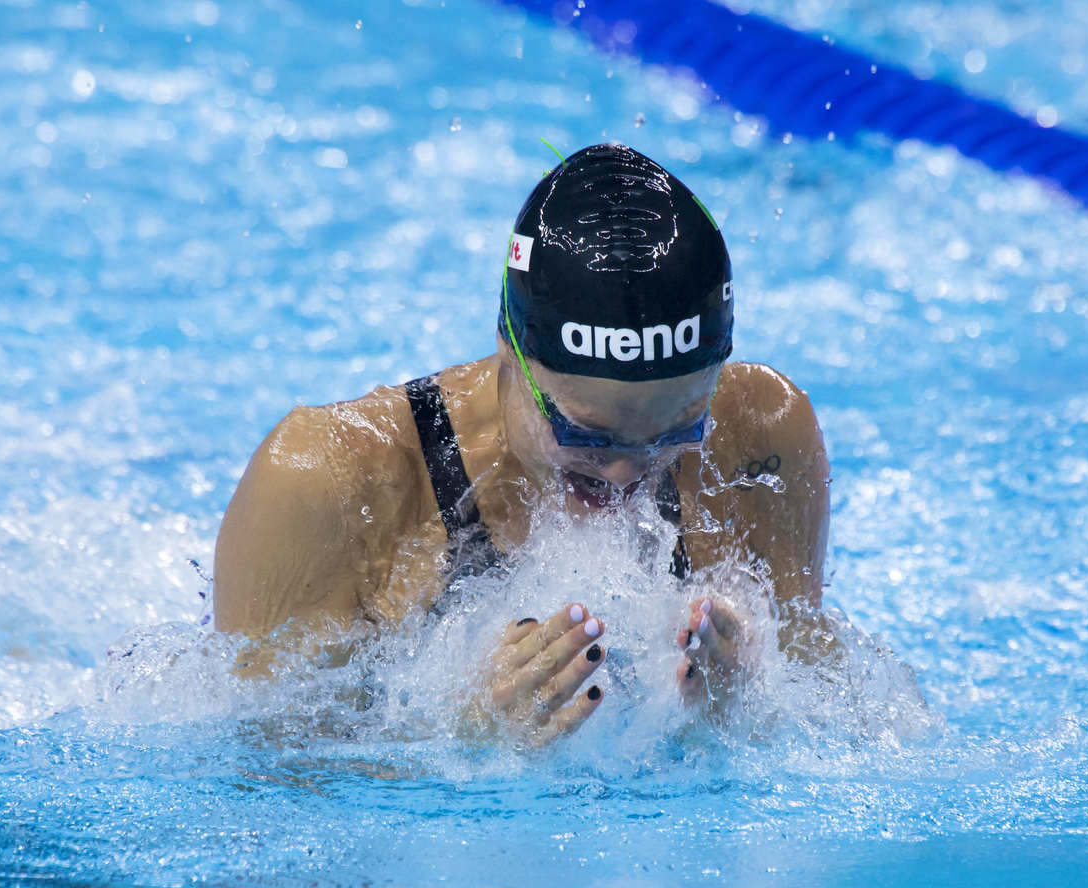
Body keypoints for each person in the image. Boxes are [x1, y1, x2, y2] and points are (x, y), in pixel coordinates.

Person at [214, 143, 831, 745]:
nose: (624, 474)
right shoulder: (329, 481)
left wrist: (749, 717)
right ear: (510, 350)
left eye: (677, 430)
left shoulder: (762, 432)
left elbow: (845, 705)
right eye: (585, 434)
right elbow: (260, 779)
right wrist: (455, 740)